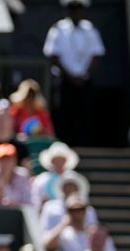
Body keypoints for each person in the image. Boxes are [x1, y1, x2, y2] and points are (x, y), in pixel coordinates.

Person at [43, 0, 104, 148]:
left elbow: (97, 53)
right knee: (63, 114)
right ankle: (64, 146)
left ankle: (85, 146)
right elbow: (52, 55)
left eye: (78, 9)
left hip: (84, 80)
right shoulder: (57, 29)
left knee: (86, 114)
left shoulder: (90, 29)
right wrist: (70, 76)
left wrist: (84, 75)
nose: (75, 12)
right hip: (64, 81)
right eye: (72, 9)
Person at [43, 194, 114, 251]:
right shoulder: (63, 234)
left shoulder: (95, 233)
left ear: (86, 210)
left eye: (81, 209)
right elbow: (47, 246)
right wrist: (63, 224)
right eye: (72, 210)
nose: (77, 213)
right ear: (67, 211)